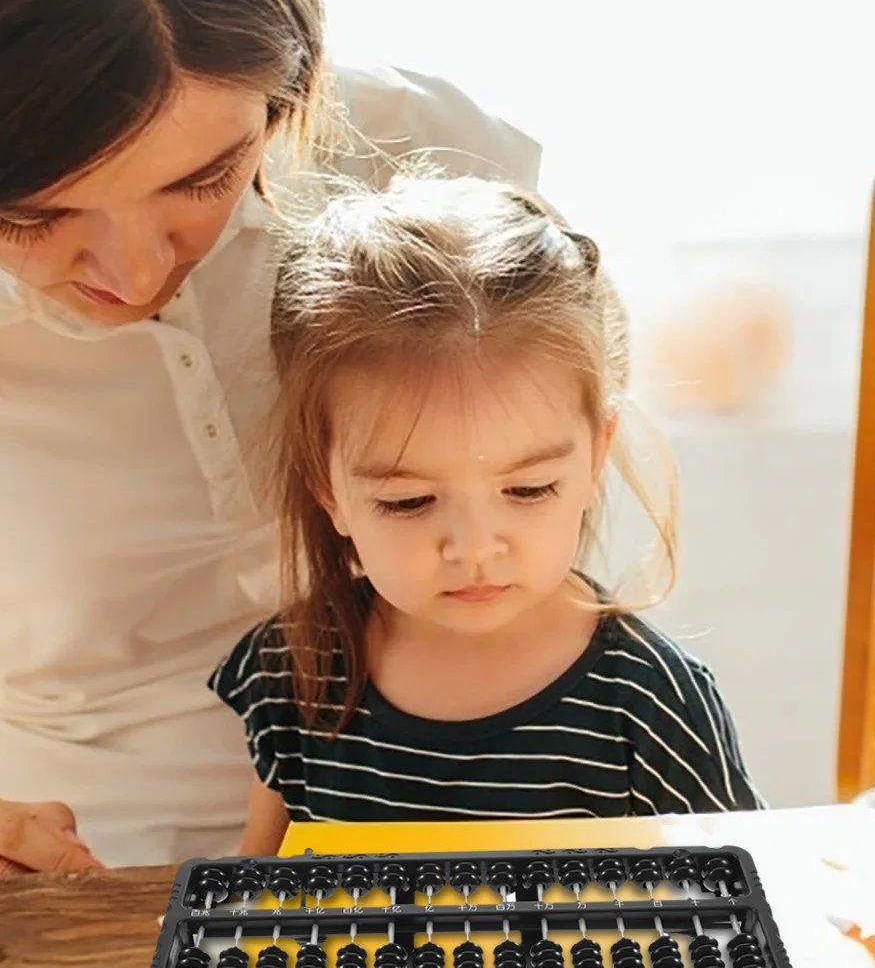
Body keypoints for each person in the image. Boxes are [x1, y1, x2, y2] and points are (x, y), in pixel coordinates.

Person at [0, 0, 542, 868]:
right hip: (82, 881)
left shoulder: (420, 157)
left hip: (438, 844)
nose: (137, 272)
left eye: (204, 178)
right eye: (36, 217)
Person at [212, 172, 759, 852]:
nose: (474, 547)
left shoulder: (649, 703)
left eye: (527, 490)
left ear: (595, 458)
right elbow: (252, 905)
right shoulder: (294, 669)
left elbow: (736, 918)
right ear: (326, 489)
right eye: (409, 501)